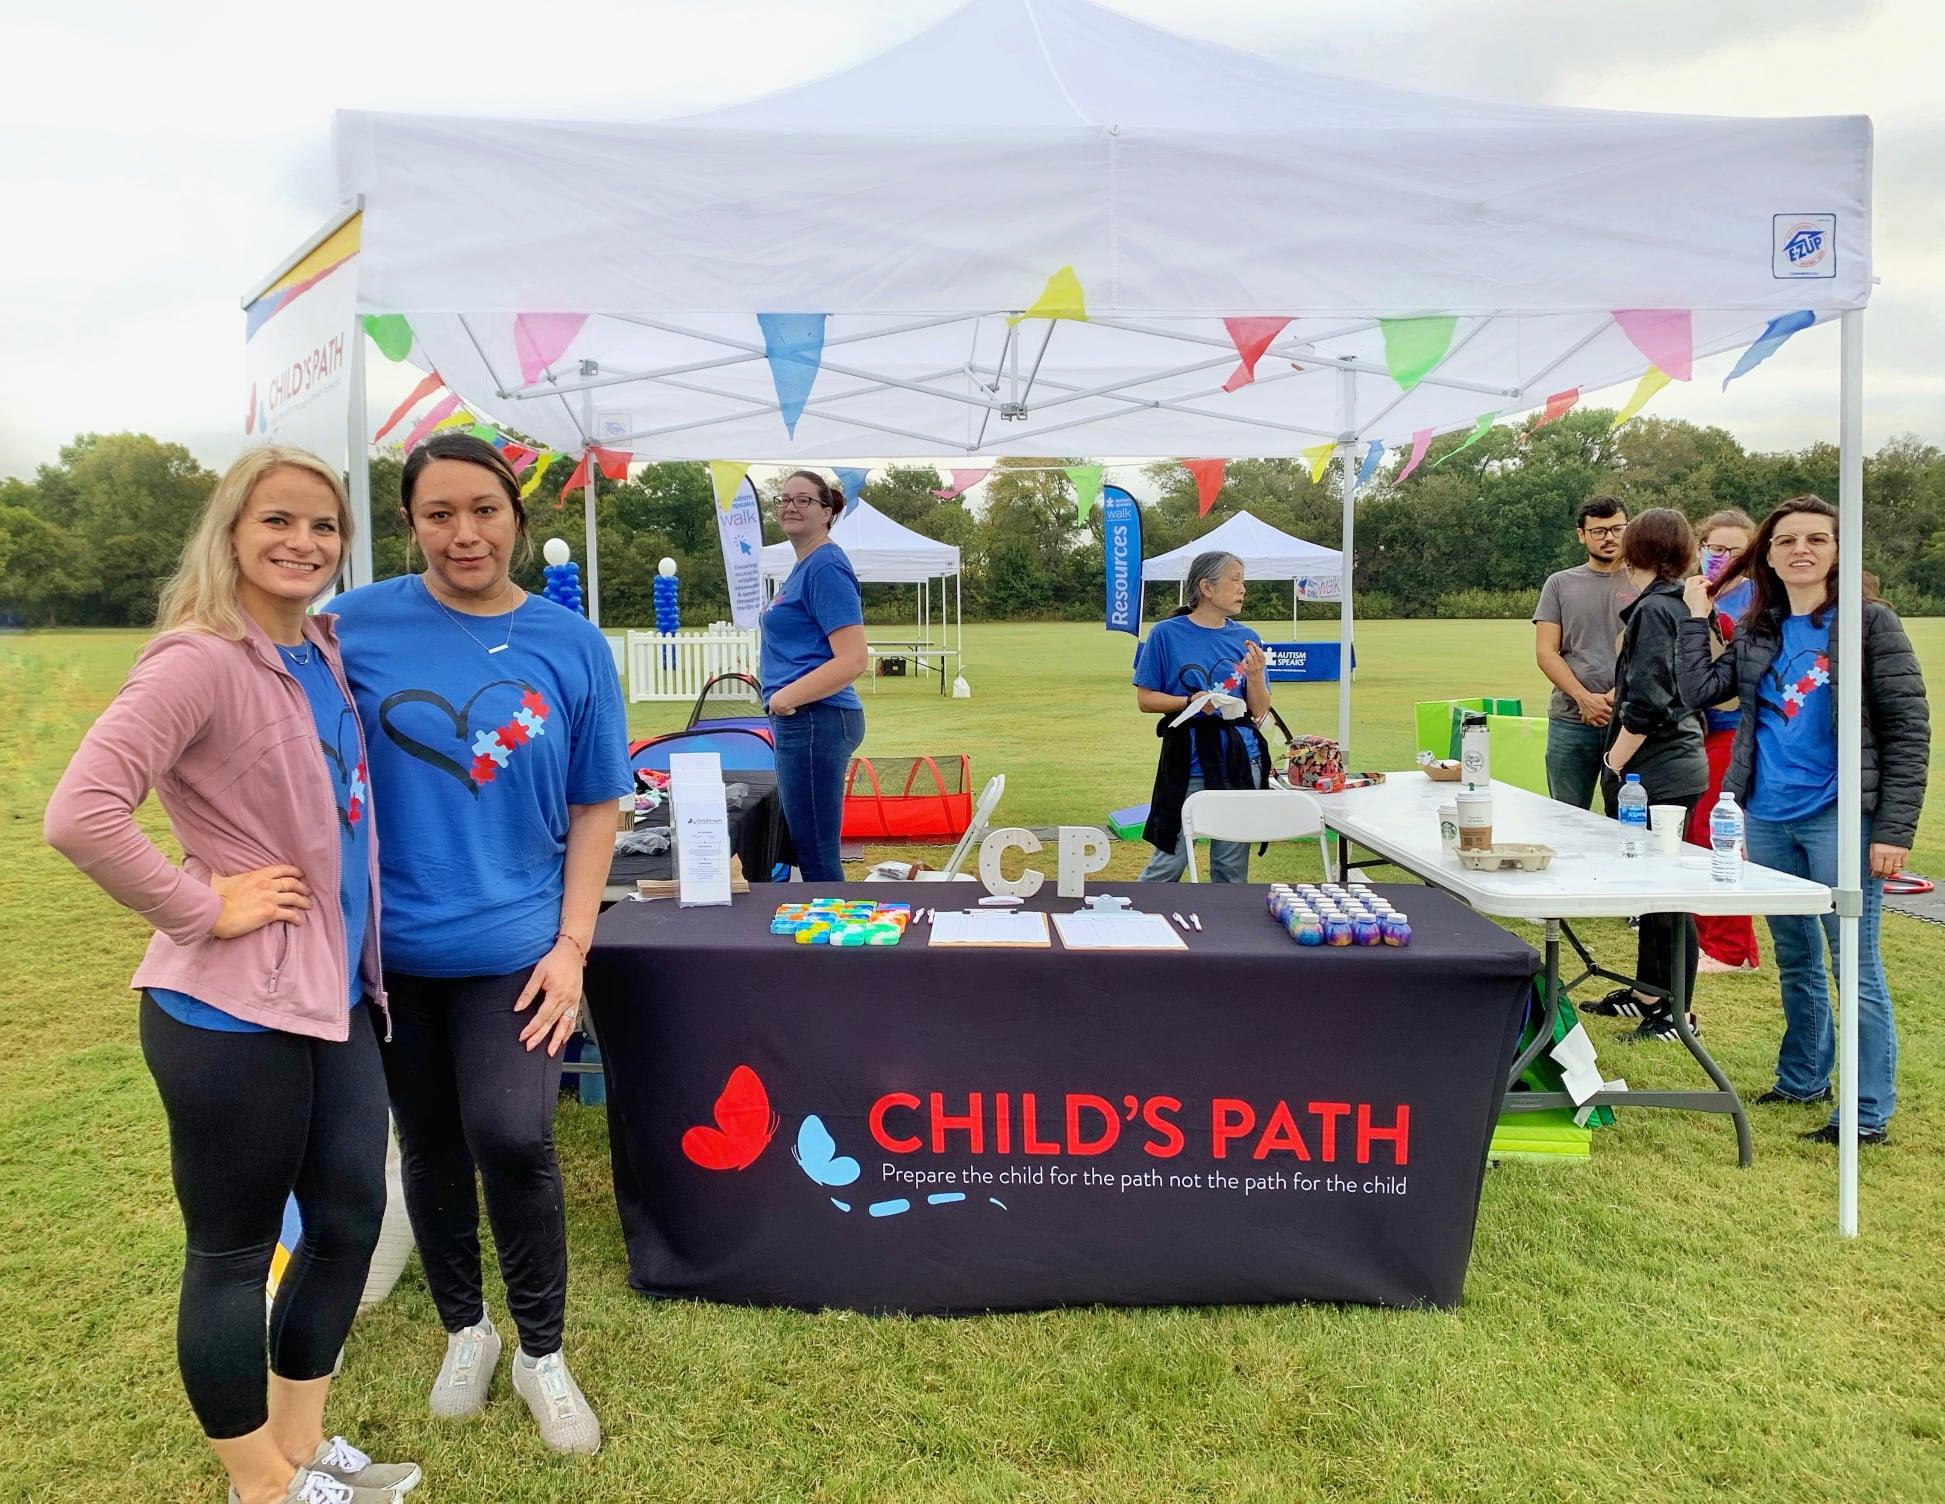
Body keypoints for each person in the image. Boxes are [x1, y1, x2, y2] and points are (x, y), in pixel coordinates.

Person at [44, 447, 418, 1504]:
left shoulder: (321, 649)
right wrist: (202, 906)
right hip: (227, 1010)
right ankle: (258, 1482)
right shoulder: (198, 658)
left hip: (335, 996)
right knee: (234, 1251)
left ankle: (300, 1442)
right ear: (232, 532)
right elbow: (80, 813)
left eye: (323, 526)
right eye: (277, 521)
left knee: (347, 1219)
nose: (303, 542)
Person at [331, 432, 631, 1454]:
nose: (464, 533)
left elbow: (597, 803)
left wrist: (572, 945)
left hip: (518, 951)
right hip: (392, 958)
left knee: (511, 1134)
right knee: (428, 1147)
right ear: (409, 524)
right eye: (439, 513)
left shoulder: (570, 643)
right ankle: (468, 1329)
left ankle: (543, 1352)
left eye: (483, 510)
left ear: (516, 517)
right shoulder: (351, 627)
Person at [1678, 495, 1929, 1144]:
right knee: (1795, 957)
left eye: (1817, 539)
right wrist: (1695, 619)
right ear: (1767, 554)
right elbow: (1699, 692)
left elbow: (1907, 731)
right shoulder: (1758, 628)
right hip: (1766, 816)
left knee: (1854, 967)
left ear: (1839, 551)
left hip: (1840, 819)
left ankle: (1865, 1114)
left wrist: (1893, 831)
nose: (1801, 550)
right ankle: (1800, 1080)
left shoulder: (1868, 624)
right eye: (1787, 540)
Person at [1578, 508, 1708, 1042]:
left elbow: (1652, 702)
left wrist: (1614, 761)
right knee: (1652, 887)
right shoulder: (1674, 603)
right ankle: (1649, 994)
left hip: (1660, 768)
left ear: (1637, 550)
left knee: (1668, 892)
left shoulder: (1656, 608)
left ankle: (1677, 1013)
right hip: (1671, 762)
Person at [1134, 551, 1274, 883]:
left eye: (1243, 581)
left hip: (1240, 760)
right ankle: (1136, 914)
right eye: (1235, 580)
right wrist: (1189, 701)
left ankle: (1225, 919)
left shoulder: (1246, 637)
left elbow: (1259, 709)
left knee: (1230, 868)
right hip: (1188, 760)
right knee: (1168, 862)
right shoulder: (1165, 634)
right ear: (1206, 588)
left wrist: (1256, 676)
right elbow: (1145, 700)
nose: (1243, 589)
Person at [758, 470, 868, 881]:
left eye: (803, 500)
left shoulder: (825, 565)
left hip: (814, 719)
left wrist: (785, 699)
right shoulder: (804, 566)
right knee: (808, 850)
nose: (790, 506)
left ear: (827, 512)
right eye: (784, 499)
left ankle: (835, 924)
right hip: (805, 720)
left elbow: (853, 658)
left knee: (817, 856)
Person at [1685, 510, 1762, 973]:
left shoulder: (1758, 599)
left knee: (1720, 832)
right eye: (1716, 548)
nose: (1724, 557)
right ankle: (1703, 936)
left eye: (1736, 550)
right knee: (1693, 833)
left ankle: (1732, 948)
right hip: (1693, 729)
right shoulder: (1691, 591)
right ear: (1701, 548)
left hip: (1733, 729)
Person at [1534, 495, 1636, 813]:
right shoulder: (1560, 584)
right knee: (1566, 817)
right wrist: (1583, 698)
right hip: (1571, 720)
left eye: (1617, 529)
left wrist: (1617, 695)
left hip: (1630, 721)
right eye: (1599, 531)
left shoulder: (1647, 582)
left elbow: (1657, 656)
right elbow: (1546, 651)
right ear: (1582, 535)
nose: (1609, 538)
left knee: (1629, 819)